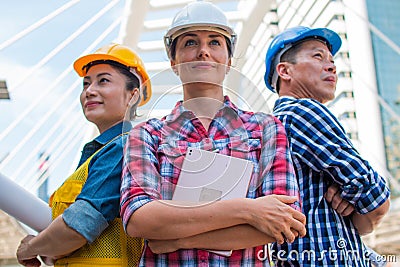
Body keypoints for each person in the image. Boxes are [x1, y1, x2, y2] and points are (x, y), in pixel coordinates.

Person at [120, 2, 306, 267]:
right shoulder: (146, 136)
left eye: (215, 42)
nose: (203, 52)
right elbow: (139, 219)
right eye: (190, 42)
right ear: (173, 62)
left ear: (229, 61)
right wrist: (248, 210)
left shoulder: (266, 129)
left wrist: (178, 239)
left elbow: (284, 221)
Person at [264, 26, 391, 266]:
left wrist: (350, 198)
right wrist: (358, 205)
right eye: (317, 56)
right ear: (285, 71)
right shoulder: (301, 111)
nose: (332, 66)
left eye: (332, 60)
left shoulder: (272, 126)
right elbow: (376, 201)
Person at [16, 43, 152, 267]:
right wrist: (52, 249)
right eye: (86, 84)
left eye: (103, 81)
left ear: (132, 95)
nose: (89, 90)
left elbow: (79, 226)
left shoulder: (123, 147)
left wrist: (32, 247)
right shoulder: (98, 153)